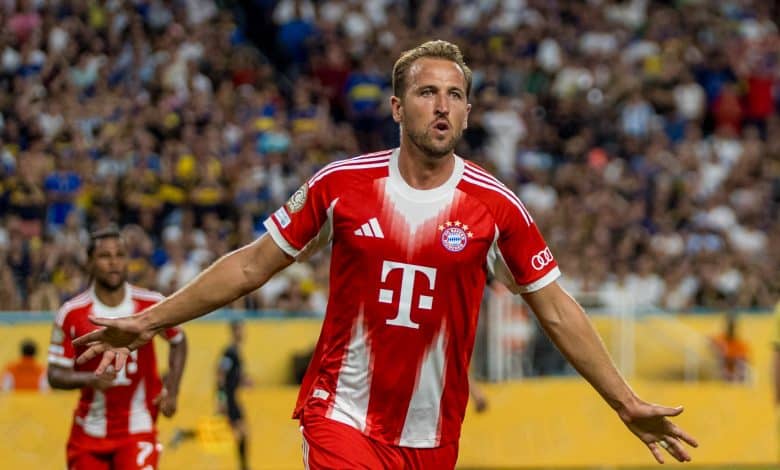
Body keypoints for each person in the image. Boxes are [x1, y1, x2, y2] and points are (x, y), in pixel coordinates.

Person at [73, 41, 697, 468]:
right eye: (427, 92)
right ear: (399, 108)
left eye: (455, 95)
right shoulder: (340, 184)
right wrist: (150, 322)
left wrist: (625, 401)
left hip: (431, 434)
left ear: (469, 112)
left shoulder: (496, 207)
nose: (442, 105)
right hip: (340, 412)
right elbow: (249, 266)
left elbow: (556, 310)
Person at [48, 226, 188, 470]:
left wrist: (172, 390)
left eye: (120, 255)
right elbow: (55, 374)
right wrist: (91, 379)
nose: (114, 262)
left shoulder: (151, 304)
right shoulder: (71, 313)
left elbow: (178, 340)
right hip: (89, 431)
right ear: (90, 262)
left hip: (138, 428)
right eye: (105, 256)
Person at [217, 320, 252, 470]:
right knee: (238, 432)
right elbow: (220, 374)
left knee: (241, 432)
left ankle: (243, 466)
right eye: (239, 330)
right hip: (229, 398)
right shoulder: (230, 352)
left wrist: (244, 380)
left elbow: (233, 374)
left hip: (233, 398)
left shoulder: (236, 352)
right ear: (234, 331)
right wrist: (222, 399)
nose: (242, 333)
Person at [709, 312, 750, 382]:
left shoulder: (740, 344)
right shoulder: (719, 339)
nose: (730, 329)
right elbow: (707, 341)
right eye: (729, 326)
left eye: (732, 326)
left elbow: (743, 362)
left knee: (740, 362)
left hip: (734, 375)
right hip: (720, 374)